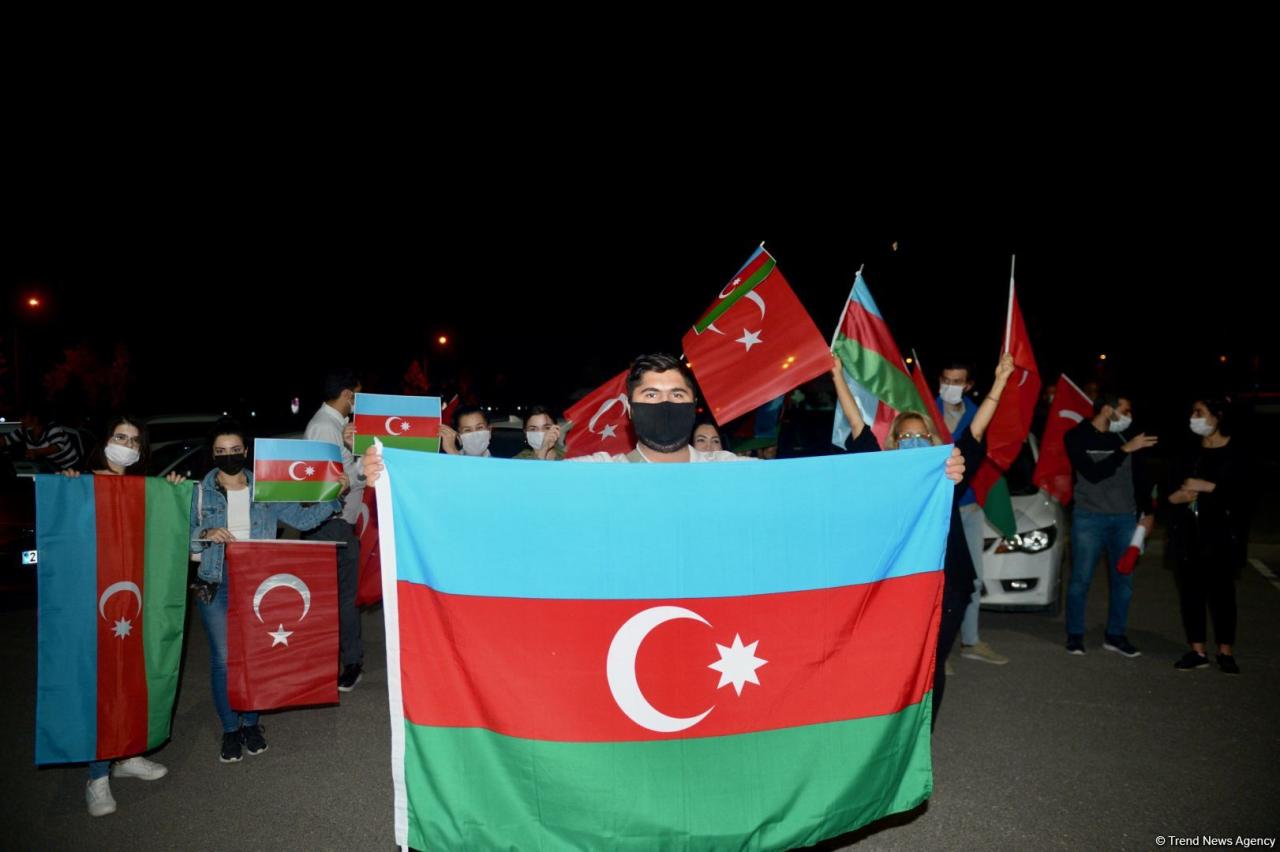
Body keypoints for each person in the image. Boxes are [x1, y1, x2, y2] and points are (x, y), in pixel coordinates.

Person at [835, 353, 1014, 727]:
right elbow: (856, 423)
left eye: (921, 435)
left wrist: (999, 381)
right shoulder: (883, 474)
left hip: (947, 586)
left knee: (931, 663)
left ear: (933, 440)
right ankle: (891, 733)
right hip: (899, 589)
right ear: (895, 443)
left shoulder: (947, 473)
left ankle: (922, 740)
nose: (914, 441)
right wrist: (837, 375)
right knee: (896, 663)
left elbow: (976, 432)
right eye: (906, 436)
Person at [190, 419, 343, 762]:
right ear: (212, 454)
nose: (228, 456)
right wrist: (206, 531)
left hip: (258, 579)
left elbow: (302, 520)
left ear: (245, 451)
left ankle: (251, 723)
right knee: (224, 658)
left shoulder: (265, 488)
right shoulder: (199, 492)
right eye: (220, 451)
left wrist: (336, 495)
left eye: (234, 450)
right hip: (216, 579)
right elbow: (181, 536)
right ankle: (230, 729)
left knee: (257, 654)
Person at [62, 416, 183, 816]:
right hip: (98, 599)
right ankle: (97, 775)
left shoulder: (143, 489)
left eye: (134, 440)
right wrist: (69, 487)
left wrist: (173, 495)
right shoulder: (83, 483)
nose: (126, 445)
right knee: (103, 681)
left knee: (135, 675)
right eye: (119, 437)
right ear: (105, 440)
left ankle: (128, 754)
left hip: (136, 601)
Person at [1062, 392, 1157, 657]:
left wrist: (1147, 512)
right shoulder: (1077, 436)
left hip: (1125, 518)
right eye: (1124, 411)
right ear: (1107, 410)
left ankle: (1115, 635)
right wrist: (1124, 450)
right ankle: (1075, 635)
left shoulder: (1128, 437)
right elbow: (1092, 474)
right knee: (1080, 580)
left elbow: (1141, 477)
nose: (1129, 417)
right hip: (1088, 518)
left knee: (1123, 581)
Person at [1164, 398, 1254, 674]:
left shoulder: (1236, 452)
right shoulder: (1188, 452)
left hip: (1222, 537)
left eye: (1200, 413)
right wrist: (1176, 497)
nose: (1194, 417)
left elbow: (1246, 495)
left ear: (1217, 417)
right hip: (1189, 536)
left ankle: (1225, 651)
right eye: (1192, 412)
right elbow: (1167, 490)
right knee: (1191, 595)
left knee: (1223, 596)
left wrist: (1210, 487)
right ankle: (1197, 650)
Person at [936, 361, 1008, 666]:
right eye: (946, 379)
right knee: (937, 582)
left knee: (971, 579)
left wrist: (1001, 380)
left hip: (968, 507)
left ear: (967, 385)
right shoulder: (923, 410)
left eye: (957, 381)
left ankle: (971, 641)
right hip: (936, 513)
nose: (951, 385)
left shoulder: (975, 412)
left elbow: (977, 443)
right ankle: (939, 652)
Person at [303, 369, 366, 691]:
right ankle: (349, 663)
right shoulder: (325, 427)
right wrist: (362, 467)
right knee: (341, 599)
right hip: (330, 524)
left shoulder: (336, 427)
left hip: (338, 524)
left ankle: (346, 660)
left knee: (342, 598)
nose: (359, 402)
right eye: (357, 395)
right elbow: (329, 485)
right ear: (346, 395)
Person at [3, 406, 82, 470]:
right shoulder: (24, 431)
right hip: (51, 468)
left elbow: (57, 447)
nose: (21, 420)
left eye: (24, 417)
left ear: (35, 419)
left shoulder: (53, 429)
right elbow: (6, 440)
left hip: (71, 468)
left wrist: (36, 452)